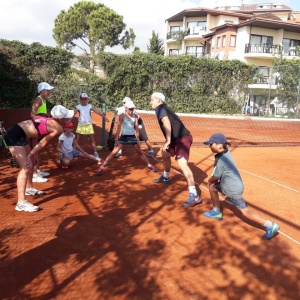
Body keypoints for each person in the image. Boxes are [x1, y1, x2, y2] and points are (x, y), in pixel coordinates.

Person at [202, 132, 280, 240]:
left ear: (219, 145)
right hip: (231, 184)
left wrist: (209, 181)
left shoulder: (221, 160)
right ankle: (216, 211)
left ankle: (270, 225)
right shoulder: (225, 152)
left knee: (245, 211)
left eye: (211, 144)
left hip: (232, 189)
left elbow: (215, 177)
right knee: (212, 187)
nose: (209, 146)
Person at [3, 105, 74, 212]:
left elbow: (34, 132)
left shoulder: (46, 118)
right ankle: (21, 203)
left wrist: (32, 155)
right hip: (13, 136)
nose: (68, 119)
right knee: (25, 167)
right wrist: (31, 154)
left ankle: (29, 188)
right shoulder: (58, 128)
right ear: (60, 119)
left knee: (30, 162)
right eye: (66, 117)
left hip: (19, 135)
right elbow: (43, 142)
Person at [150, 92, 201, 207]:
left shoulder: (160, 108)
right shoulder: (162, 108)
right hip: (175, 139)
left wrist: (167, 140)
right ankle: (166, 177)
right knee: (164, 153)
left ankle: (195, 195)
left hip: (183, 138)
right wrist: (169, 141)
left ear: (158, 100)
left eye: (152, 100)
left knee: (182, 164)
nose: (150, 102)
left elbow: (166, 122)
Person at [97, 100, 157, 175]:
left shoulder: (135, 116)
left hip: (132, 137)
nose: (131, 111)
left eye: (132, 109)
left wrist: (137, 139)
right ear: (126, 108)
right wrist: (116, 139)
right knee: (113, 153)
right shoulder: (122, 115)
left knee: (140, 152)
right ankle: (102, 167)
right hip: (124, 137)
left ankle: (149, 165)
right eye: (130, 109)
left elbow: (137, 128)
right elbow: (119, 128)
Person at [30, 82, 54, 183]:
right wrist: (40, 122)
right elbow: (32, 114)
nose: (49, 92)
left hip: (40, 126)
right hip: (36, 127)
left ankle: (38, 170)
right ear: (42, 91)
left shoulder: (43, 100)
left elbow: (42, 113)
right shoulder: (39, 99)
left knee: (38, 150)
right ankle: (34, 174)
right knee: (35, 150)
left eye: (49, 90)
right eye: (47, 90)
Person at [73, 93, 109, 158]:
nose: (84, 100)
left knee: (92, 139)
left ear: (87, 99)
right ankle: (73, 151)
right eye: (83, 99)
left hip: (88, 125)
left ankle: (95, 152)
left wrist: (104, 117)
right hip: (81, 125)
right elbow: (73, 114)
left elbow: (97, 112)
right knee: (77, 139)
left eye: (86, 99)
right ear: (80, 99)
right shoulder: (78, 107)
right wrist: (68, 121)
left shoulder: (90, 106)